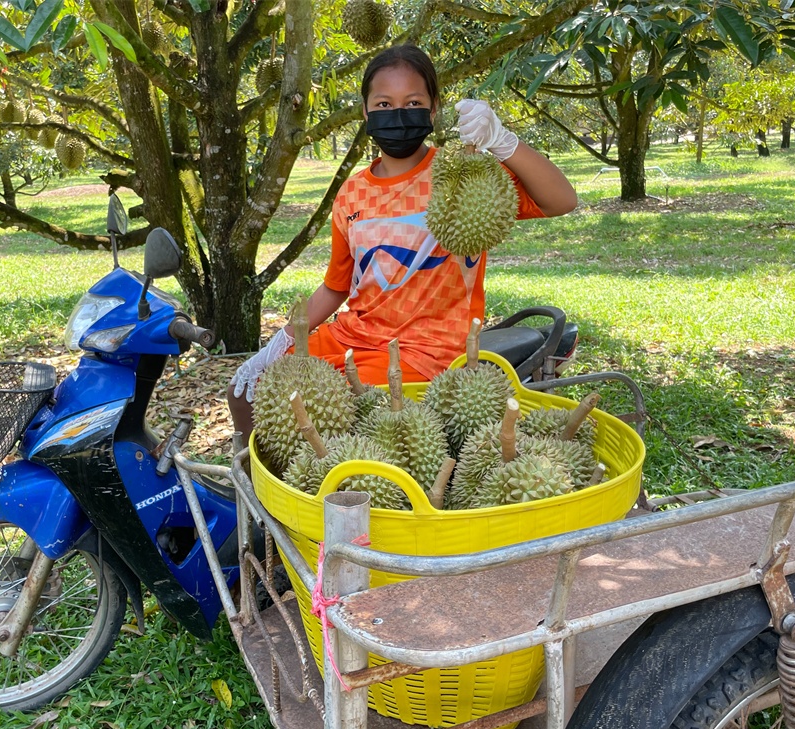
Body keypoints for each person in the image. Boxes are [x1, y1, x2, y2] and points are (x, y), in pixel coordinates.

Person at [228, 44, 577, 437]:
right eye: (383, 103)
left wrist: (504, 143)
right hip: (354, 334)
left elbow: (562, 200)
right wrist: (282, 340)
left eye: (412, 102)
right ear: (364, 111)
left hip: (427, 349)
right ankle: (253, 495)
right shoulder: (352, 193)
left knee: (328, 414)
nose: (397, 114)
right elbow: (335, 287)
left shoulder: (463, 176)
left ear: (432, 109)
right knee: (244, 392)